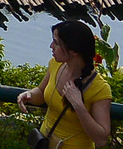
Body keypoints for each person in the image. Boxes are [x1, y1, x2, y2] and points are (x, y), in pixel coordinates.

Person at [17, 21, 112, 149]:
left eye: (56, 43)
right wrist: (28, 95)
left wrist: (78, 104)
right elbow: (41, 92)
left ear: (73, 52)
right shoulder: (55, 65)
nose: (51, 46)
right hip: (45, 144)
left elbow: (101, 139)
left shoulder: (100, 88)